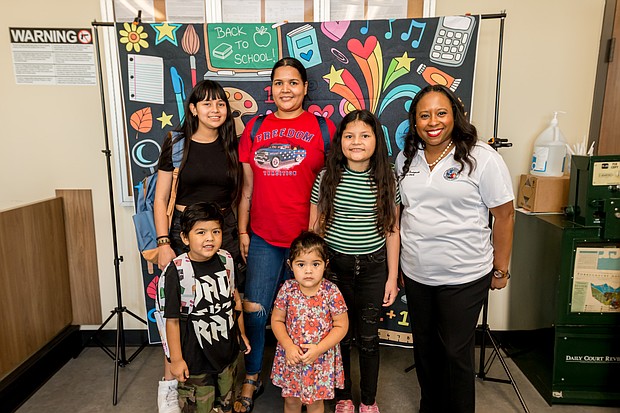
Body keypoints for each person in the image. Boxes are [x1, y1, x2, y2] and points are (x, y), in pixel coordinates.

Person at [395, 84, 514, 413]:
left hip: (465, 275)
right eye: (425, 115)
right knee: (425, 351)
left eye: (441, 113)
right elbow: (404, 211)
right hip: (417, 274)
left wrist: (501, 269)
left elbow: (504, 215)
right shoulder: (406, 157)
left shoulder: (482, 158)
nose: (433, 121)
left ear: (455, 116)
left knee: (454, 354)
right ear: (415, 122)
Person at [235, 57, 337, 413]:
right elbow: (247, 187)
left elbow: (330, 188)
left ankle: (310, 379)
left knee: (310, 315)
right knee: (258, 311)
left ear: (306, 88)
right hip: (263, 235)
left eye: (293, 82)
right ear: (271, 89)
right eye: (279, 83)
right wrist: (243, 229)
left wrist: (319, 237)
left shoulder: (323, 129)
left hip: (306, 242)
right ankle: (252, 375)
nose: (286, 89)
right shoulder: (256, 127)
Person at [154, 80, 244, 413]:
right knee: (176, 312)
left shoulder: (231, 145)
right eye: (206, 104)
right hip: (181, 233)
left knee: (218, 305)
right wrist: (165, 241)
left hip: (223, 233)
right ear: (193, 109)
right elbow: (160, 197)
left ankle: (222, 391)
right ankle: (169, 392)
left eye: (220, 104)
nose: (215, 110)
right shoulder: (177, 143)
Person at [309, 109, 400, 413]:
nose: (356, 142)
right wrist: (315, 273)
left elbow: (392, 230)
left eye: (364, 135)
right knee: (340, 335)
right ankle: (344, 396)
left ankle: (369, 400)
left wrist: (391, 277)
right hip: (335, 269)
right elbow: (315, 228)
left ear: (377, 140)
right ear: (340, 141)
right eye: (349, 136)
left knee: (370, 338)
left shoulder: (387, 177)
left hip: (374, 268)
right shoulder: (327, 177)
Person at [162, 202, 251, 413]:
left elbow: (235, 301)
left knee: (226, 405)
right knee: (199, 408)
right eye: (201, 232)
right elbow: (172, 320)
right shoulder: (177, 271)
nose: (209, 238)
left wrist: (242, 335)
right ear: (185, 237)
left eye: (215, 231)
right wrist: (176, 360)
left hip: (226, 354)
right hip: (195, 360)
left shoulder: (226, 260)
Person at [270, 231, 349, 413]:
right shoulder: (287, 290)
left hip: (320, 359)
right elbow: (277, 319)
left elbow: (341, 325)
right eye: (301, 264)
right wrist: (288, 345)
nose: (308, 270)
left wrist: (319, 349)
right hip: (292, 357)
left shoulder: (331, 291)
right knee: (291, 402)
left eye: (315, 264)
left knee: (315, 404)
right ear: (291, 265)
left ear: (325, 265)